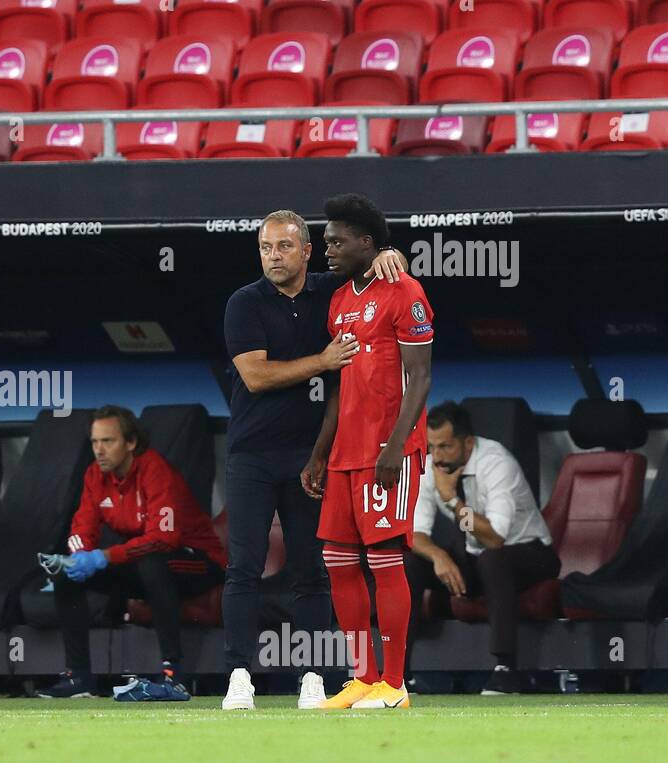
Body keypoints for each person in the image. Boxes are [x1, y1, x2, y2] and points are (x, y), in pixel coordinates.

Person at [221, 210, 407, 711]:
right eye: (265, 247)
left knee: (314, 570)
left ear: (306, 251)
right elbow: (256, 377)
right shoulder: (244, 303)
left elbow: (379, 271)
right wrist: (322, 362)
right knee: (243, 567)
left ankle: (314, 678)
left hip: (313, 454)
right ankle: (239, 676)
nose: (273, 257)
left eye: (283, 247)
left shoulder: (331, 289)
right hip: (252, 454)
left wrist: (390, 254)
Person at [303, 193, 434, 710]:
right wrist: (319, 452)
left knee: (383, 560)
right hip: (344, 452)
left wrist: (396, 448)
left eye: (336, 240)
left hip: (388, 449)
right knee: (337, 561)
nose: (327, 248)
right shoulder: (338, 301)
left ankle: (395, 684)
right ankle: (362, 677)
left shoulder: (405, 290)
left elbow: (420, 377)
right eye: (325, 240)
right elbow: (339, 385)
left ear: (367, 242)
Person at [36, 406, 225, 699]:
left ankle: (173, 674)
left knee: (151, 562)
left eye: (108, 441)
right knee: (67, 576)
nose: (99, 450)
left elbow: (163, 539)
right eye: (95, 442)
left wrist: (103, 557)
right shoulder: (95, 476)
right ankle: (80, 678)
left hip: (199, 561)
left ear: (131, 443)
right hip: (148, 564)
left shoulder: (154, 469)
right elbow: (81, 528)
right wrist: (79, 556)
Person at [407, 402, 559, 694]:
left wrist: (452, 501)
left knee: (493, 559)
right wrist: (439, 556)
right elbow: (414, 533)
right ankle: (400, 674)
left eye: (445, 447)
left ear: (468, 443)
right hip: (474, 553)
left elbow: (495, 538)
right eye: (432, 446)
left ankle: (505, 669)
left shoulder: (497, 463)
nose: (437, 457)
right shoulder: (431, 465)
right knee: (411, 562)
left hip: (530, 553)